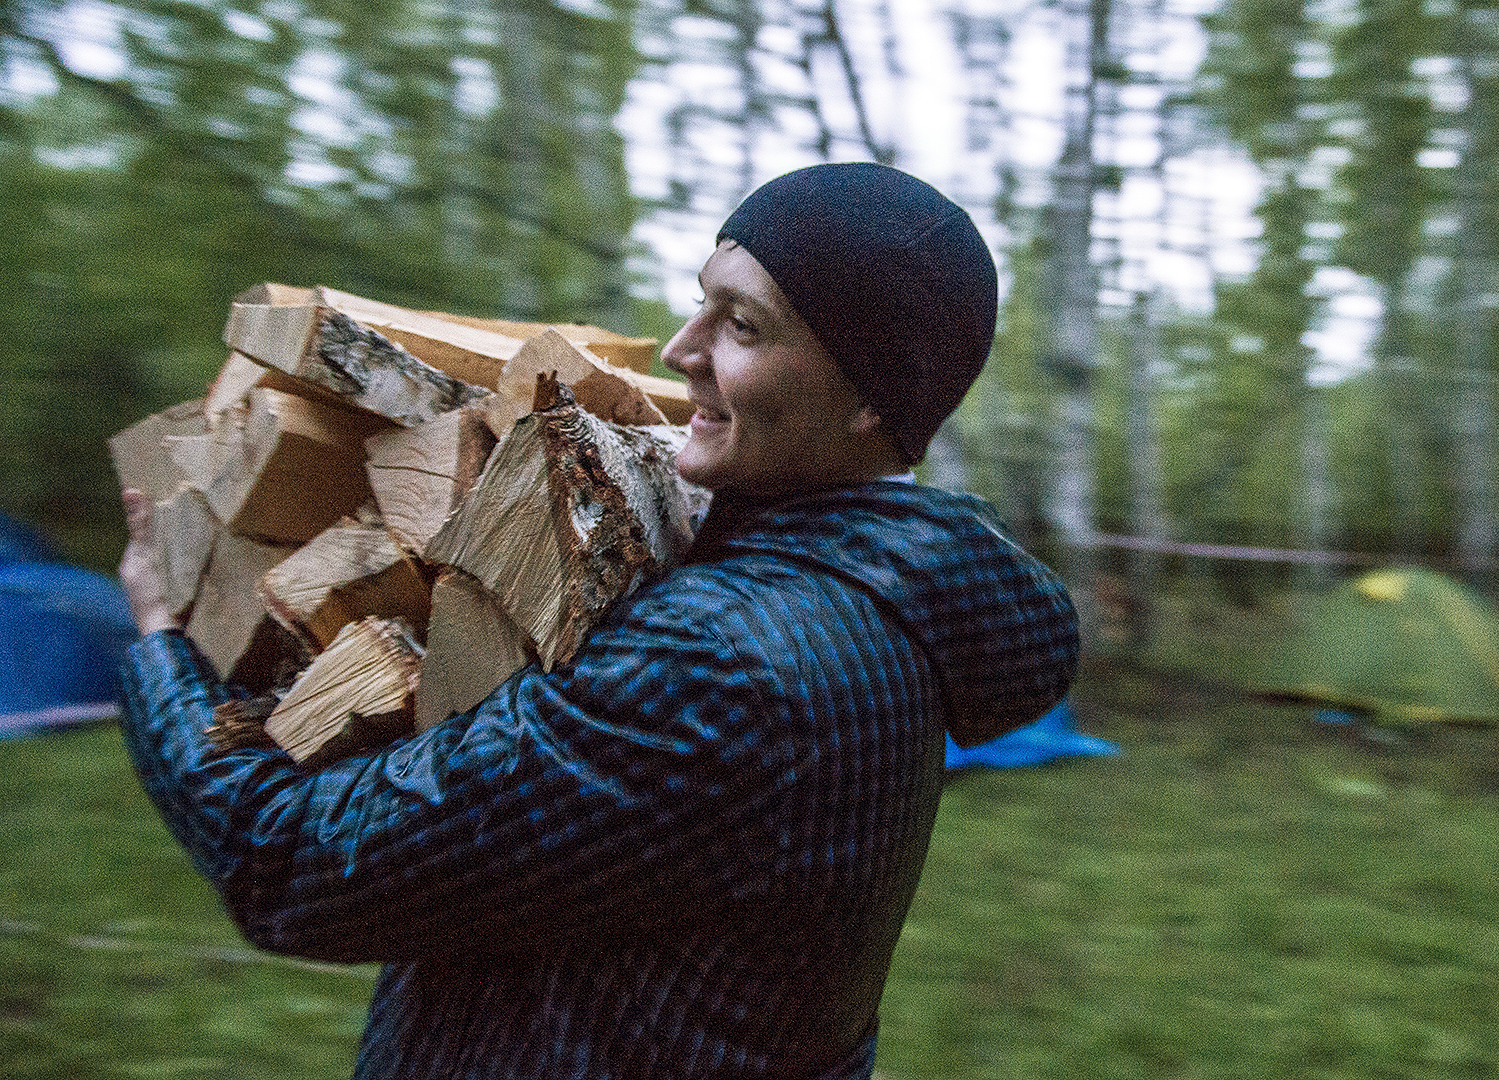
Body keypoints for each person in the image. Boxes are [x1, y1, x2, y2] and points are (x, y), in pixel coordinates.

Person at [116, 162, 1080, 1080]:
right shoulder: (877, 606)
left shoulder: (722, 665)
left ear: (873, 398)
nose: (679, 349)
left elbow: (289, 861)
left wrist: (163, 642)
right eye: (702, 297)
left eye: (741, 325)